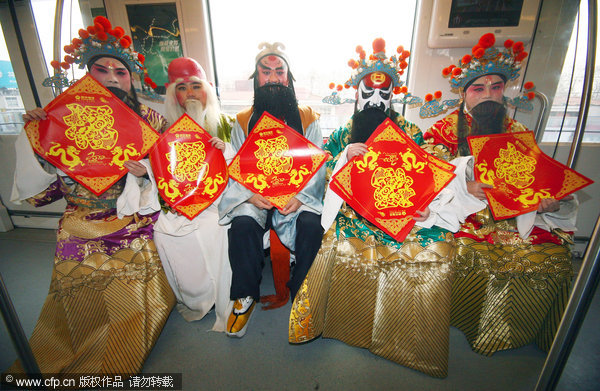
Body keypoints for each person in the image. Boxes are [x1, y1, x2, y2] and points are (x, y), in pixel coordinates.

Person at [288, 39, 474, 378]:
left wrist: (424, 208)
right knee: (342, 241)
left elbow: (430, 173)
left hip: (402, 212)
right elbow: (321, 169)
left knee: (437, 245)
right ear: (357, 93)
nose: (376, 101)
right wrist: (344, 156)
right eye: (369, 93)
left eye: (384, 95)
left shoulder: (410, 130)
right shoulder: (344, 131)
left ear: (393, 96)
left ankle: (408, 339)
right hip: (354, 212)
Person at [8, 16, 175, 376]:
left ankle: (120, 354)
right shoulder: (58, 118)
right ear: (86, 75)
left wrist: (147, 173)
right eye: (102, 70)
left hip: (133, 217)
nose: (113, 78)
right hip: (80, 218)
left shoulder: (152, 121)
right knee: (78, 293)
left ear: (132, 79)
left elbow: (174, 174)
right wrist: (37, 136)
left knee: (130, 296)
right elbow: (43, 186)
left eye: (121, 72)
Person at [422, 32, 578, 356]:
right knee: (468, 252)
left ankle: (526, 329)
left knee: (551, 257)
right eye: (479, 88)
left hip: (516, 216)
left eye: (496, 87)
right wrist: (462, 187)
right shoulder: (444, 130)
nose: (489, 95)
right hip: (463, 212)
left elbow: (539, 179)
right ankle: (465, 322)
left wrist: (546, 200)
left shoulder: (520, 132)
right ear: (464, 93)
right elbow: (424, 175)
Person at [218, 42, 326, 338]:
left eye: (280, 72)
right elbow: (236, 164)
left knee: (311, 224)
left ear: (288, 78)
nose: (274, 77)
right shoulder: (242, 120)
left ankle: (304, 296)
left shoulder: (308, 117)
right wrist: (249, 195)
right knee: (241, 225)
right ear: (257, 77)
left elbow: (317, 164)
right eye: (266, 72)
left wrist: (300, 196)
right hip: (256, 193)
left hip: (296, 194)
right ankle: (244, 296)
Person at [121, 57, 235, 330]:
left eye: (196, 86)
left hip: (220, 201)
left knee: (213, 228)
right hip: (177, 202)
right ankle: (196, 300)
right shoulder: (162, 128)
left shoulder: (228, 124)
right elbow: (159, 167)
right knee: (164, 232)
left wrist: (225, 152)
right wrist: (143, 170)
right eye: (182, 88)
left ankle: (223, 297)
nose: (191, 93)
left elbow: (245, 166)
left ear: (206, 89)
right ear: (174, 95)